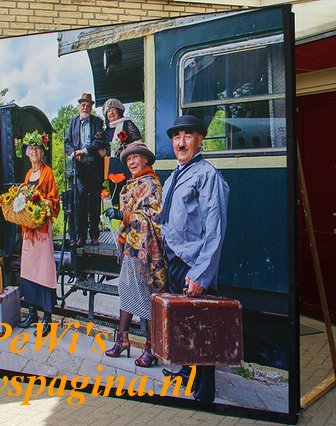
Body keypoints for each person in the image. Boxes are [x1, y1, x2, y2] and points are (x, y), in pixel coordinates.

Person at [160, 115, 230, 403]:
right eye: (176, 137)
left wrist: (201, 273)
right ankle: (187, 373)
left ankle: (205, 392)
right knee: (184, 324)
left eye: (188, 136)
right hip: (175, 261)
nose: (181, 142)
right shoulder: (173, 177)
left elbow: (215, 229)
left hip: (194, 264)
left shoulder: (207, 175)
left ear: (200, 140)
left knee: (202, 328)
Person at [103, 142, 167, 367]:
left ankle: (151, 348)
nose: (131, 162)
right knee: (126, 289)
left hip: (145, 250)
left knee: (146, 295)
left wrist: (124, 215)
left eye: (135, 157)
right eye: (128, 159)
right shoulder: (132, 183)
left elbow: (155, 218)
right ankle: (122, 340)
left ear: (145, 160)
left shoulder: (151, 184)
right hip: (131, 246)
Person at [16, 135, 60, 336]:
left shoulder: (47, 173)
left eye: (37, 148)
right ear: (27, 153)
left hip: (42, 229)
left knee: (44, 270)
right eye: (31, 149)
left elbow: (54, 200)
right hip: (29, 229)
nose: (34, 151)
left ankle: (47, 317)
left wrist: (41, 204)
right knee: (28, 269)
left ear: (42, 152)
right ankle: (32, 312)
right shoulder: (28, 174)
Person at [64, 93, 106, 247]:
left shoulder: (97, 122)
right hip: (80, 169)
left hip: (94, 168)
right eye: (83, 105)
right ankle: (81, 236)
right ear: (80, 106)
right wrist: (75, 154)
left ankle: (94, 235)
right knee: (80, 201)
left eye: (88, 106)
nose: (85, 108)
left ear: (91, 107)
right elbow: (67, 143)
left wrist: (85, 151)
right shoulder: (73, 122)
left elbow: (98, 141)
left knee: (95, 201)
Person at [102, 98, 143, 206]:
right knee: (116, 198)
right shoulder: (107, 130)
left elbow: (139, 142)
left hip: (128, 166)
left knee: (128, 197)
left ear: (119, 111)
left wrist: (124, 148)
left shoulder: (127, 124)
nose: (111, 112)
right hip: (113, 168)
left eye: (113, 109)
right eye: (108, 111)